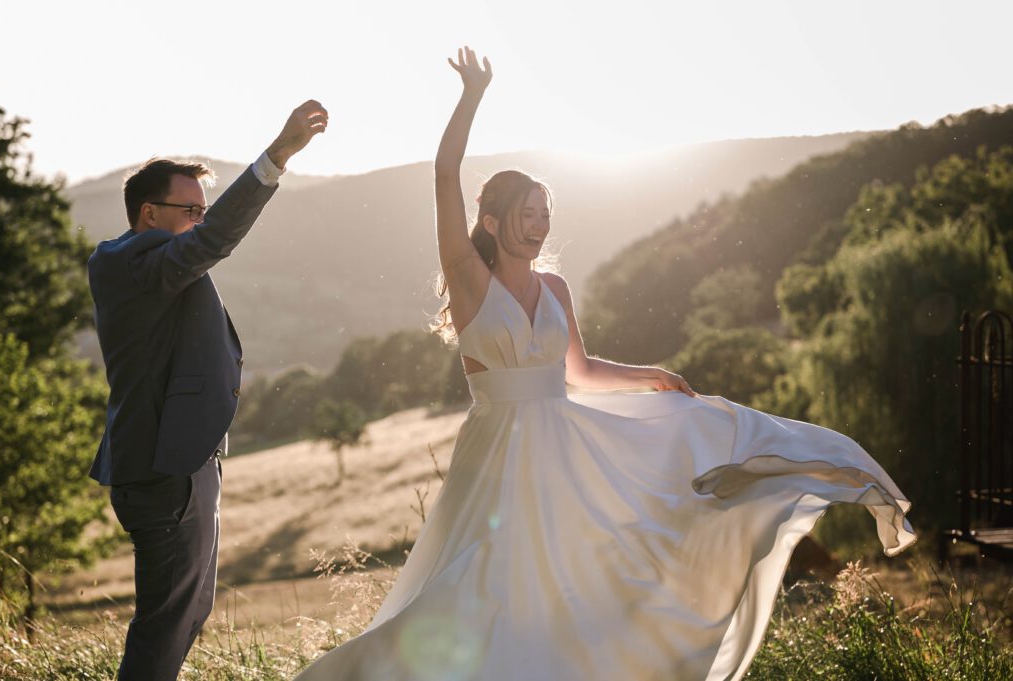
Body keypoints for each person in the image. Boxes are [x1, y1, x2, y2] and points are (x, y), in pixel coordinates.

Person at [294, 49, 915, 681]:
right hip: (499, 454)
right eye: (526, 215)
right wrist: (473, 96)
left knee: (581, 578)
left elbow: (580, 372)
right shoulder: (468, 279)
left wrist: (649, 375)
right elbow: (444, 174)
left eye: (545, 215)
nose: (538, 226)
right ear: (491, 220)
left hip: (563, 446)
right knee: (481, 582)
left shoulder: (556, 287)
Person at [88, 100, 328, 681]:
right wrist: (276, 156)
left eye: (202, 209)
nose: (200, 219)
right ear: (149, 214)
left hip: (184, 464)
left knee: (189, 611)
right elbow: (216, 238)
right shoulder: (131, 261)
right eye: (190, 209)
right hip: (162, 468)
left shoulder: (155, 262)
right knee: (165, 620)